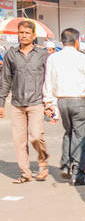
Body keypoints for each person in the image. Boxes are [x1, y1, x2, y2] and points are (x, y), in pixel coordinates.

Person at [43, 28, 85, 186]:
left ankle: (65, 165)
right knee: (81, 138)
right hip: (79, 101)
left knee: (69, 133)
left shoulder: (53, 58)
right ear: (76, 41)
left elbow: (48, 81)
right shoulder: (82, 58)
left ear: (62, 41)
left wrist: (49, 102)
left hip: (62, 102)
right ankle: (77, 175)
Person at [0, 20, 51, 182]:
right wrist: (1, 103)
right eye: (21, 32)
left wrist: (50, 103)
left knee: (36, 136)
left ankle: (42, 164)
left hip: (36, 102)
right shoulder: (11, 54)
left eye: (27, 33)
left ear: (34, 35)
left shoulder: (42, 55)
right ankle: (25, 173)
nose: (24, 36)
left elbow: (49, 79)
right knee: (19, 141)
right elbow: (5, 79)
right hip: (17, 104)